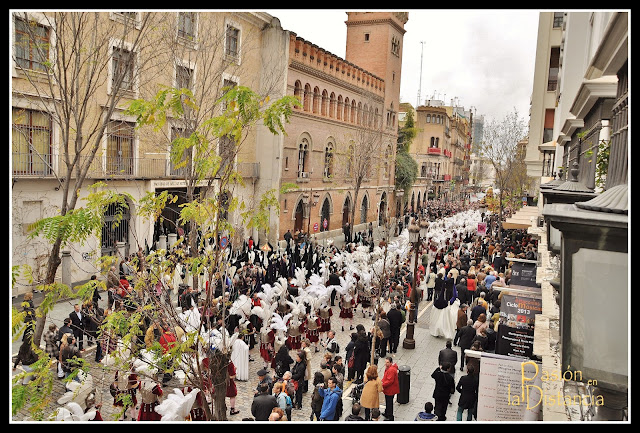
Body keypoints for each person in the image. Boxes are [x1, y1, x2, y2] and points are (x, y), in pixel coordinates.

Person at [381, 356, 399, 421]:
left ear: (391, 362)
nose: (386, 364)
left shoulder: (391, 370)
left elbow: (389, 381)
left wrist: (382, 384)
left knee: (389, 403)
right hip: (389, 389)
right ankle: (387, 413)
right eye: (385, 362)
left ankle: (390, 416)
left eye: (387, 362)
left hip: (390, 390)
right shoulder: (389, 368)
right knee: (388, 402)